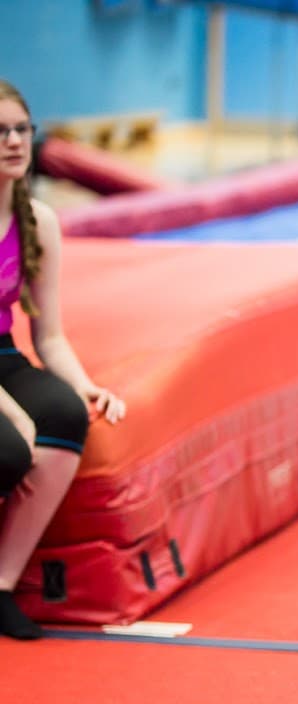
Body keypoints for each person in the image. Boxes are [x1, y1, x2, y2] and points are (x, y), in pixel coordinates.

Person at [0, 81, 125, 640]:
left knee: (66, 415)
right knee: (9, 447)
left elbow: (48, 336)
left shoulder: (39, 223)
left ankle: (0, 585)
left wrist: (85, 385)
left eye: (20, 130)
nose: (12, 142)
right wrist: (14, 416)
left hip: (4, 355)